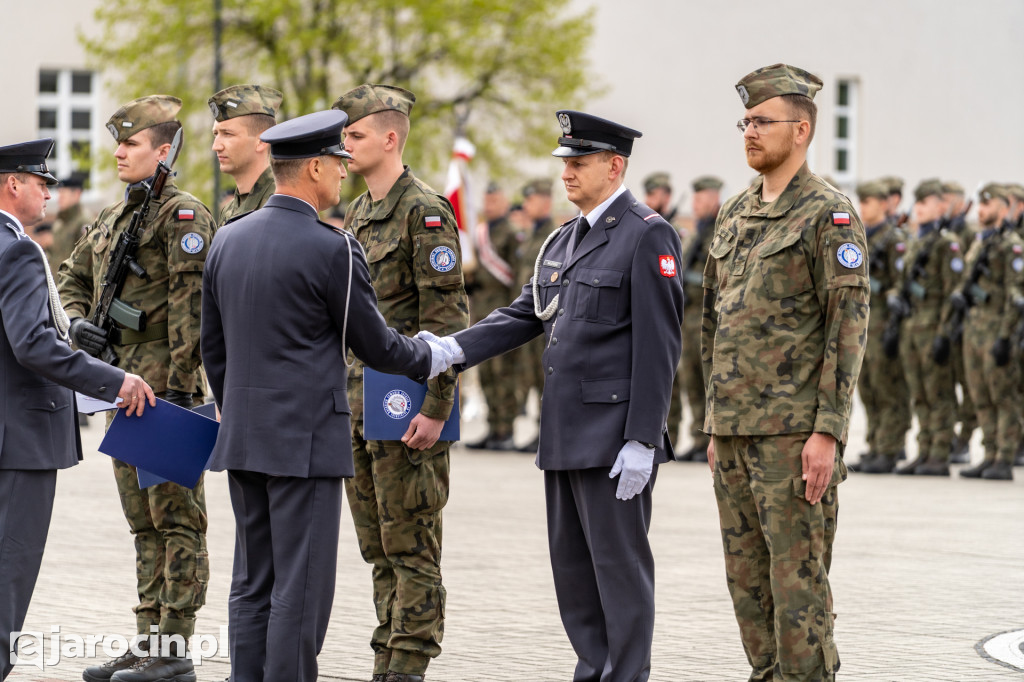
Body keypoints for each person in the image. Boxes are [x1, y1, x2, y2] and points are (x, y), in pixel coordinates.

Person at [423, 109, 684, 682]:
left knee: (619, 571)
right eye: (564, 161)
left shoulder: (647, 234)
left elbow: (661, 346)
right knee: (574, 573)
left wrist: (643, 438)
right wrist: (451, 350)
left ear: (614, 166)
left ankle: (626, 676)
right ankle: (593, 670)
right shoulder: (564, 239)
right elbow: (524, 315)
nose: (566, 171)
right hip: (563, 431)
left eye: (579, 161)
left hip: (614, 439)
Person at [201, 109, 449, 682]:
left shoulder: (227, 240)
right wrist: (435, 354)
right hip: (306, 440)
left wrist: (236, 403)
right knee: (301, 587)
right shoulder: (332, 248)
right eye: (336, 163)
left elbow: (213, 347)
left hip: (245, 435)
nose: (343, 174)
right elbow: (379, 347)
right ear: (312, 166)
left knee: (251, 580)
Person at [702, 64, 869, 680]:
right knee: (746, 585)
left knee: (797, 590)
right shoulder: (734, 213)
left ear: (800, 130)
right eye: (745, 121)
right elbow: (713, 326)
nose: (749, 131)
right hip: (737, 433)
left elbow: (846, 329)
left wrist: (828, 431)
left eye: (761, 122)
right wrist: (715, 424)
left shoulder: (830, 214)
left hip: (793, 437)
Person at [57, 96, 217, 682]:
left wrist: (179, 396)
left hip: (161, 396)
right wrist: (78, 323)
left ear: (165, 150)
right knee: (142, 523)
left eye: (132, 144)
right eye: (118, 143)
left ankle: (174, 650)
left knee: (177, 521)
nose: (120, 152)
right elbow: (71, 276)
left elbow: (191, 314)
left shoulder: (184, 218)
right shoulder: (113, 217)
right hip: (118, 391)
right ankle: (148, 640)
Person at [0, 138, 155, 682]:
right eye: (39, 181)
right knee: (6, 583)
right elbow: (33, 346)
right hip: (16, 443)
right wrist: (115, 381)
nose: (48, 191)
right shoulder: (17, 250)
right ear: (12, 184)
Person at [332, 83, 469, 682]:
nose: (345, 144)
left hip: (407, 403)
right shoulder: (358, 212)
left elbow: (448, 321)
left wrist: (438, 407)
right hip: (360, 404)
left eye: (355, 134)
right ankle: (386, 651)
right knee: (376, 544)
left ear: (390, 138)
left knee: (411, 542)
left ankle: (409, 662)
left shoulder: (426, 212)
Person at [955, 183, 1024, 481]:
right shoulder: (981, 243)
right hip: (974, 328)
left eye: (989, 204)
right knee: (980, 394)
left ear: (1004, 207)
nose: (982, 210)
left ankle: (1005, 457)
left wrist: (1006, 337)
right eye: (980, 205)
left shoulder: (1011, 245)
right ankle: (990, 452)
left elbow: (1015, 294)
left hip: (997, 328)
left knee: (1003, 395)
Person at [894, 179, 961, 477]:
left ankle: (940, 452)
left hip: (933, 328)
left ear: (941, 206)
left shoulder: (947, 244)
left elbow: (952, 293)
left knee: (939, 393)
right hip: (912, 328)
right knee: (919, 393)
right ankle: (925, 450)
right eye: (917, 203)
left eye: (926, 203)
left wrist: (945, 334)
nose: (918, 209)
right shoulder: (917, 241)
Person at [851, 179, 911, 473]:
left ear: (883, 204)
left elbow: (902, 284)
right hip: (863, 322)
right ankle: (875, 444)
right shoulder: (861, 235)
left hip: (883, 322)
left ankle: (889, 448)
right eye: (861, 202)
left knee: (888, 388)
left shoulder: (894, 239)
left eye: (869, 202)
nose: (863, 208)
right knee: (869, 387)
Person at [464, 181, 520, 450]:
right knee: (486, 373)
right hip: (482, 311)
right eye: (486, 201)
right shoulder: (481, 232)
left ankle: (505, 429)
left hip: (503, 309)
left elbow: (517, 276)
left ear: (505, 203)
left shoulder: (511, 233)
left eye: (495, 201)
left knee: (503, 374)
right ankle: (492, 427)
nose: (490, 206)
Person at [674, 175, 722, 461]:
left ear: (714, 199)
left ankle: (709, 438)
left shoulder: (719, 230)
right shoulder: (695, 233)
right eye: (695, 199)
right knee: (690, 377)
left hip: (708, 318)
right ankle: (695, 436)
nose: (696, 205)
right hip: (687, 316)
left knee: (708, 382)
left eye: (702, 199)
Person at [513, 178, 556, 451]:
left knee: (545, 380)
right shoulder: (532, 234)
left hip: (547, 317)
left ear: (546, 201)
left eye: (532, 200)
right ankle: (541, 432)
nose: (527, 205)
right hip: (531, 315)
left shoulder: (554, 234)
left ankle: (549, 435)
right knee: (530, 377)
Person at [209, 84, 282, 225]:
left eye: (228, 134)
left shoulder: (280, 203)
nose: (216, 146)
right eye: (216, 134)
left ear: (261, 141)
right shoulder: (230, 209)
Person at [47, 172, 89, 274]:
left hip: (71, 286)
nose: (59, 198)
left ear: (77, 194)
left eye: (63, 194)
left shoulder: (84, 221)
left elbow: (86, 261)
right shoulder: (60, 223)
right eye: (59, 193)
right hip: (57, 283)